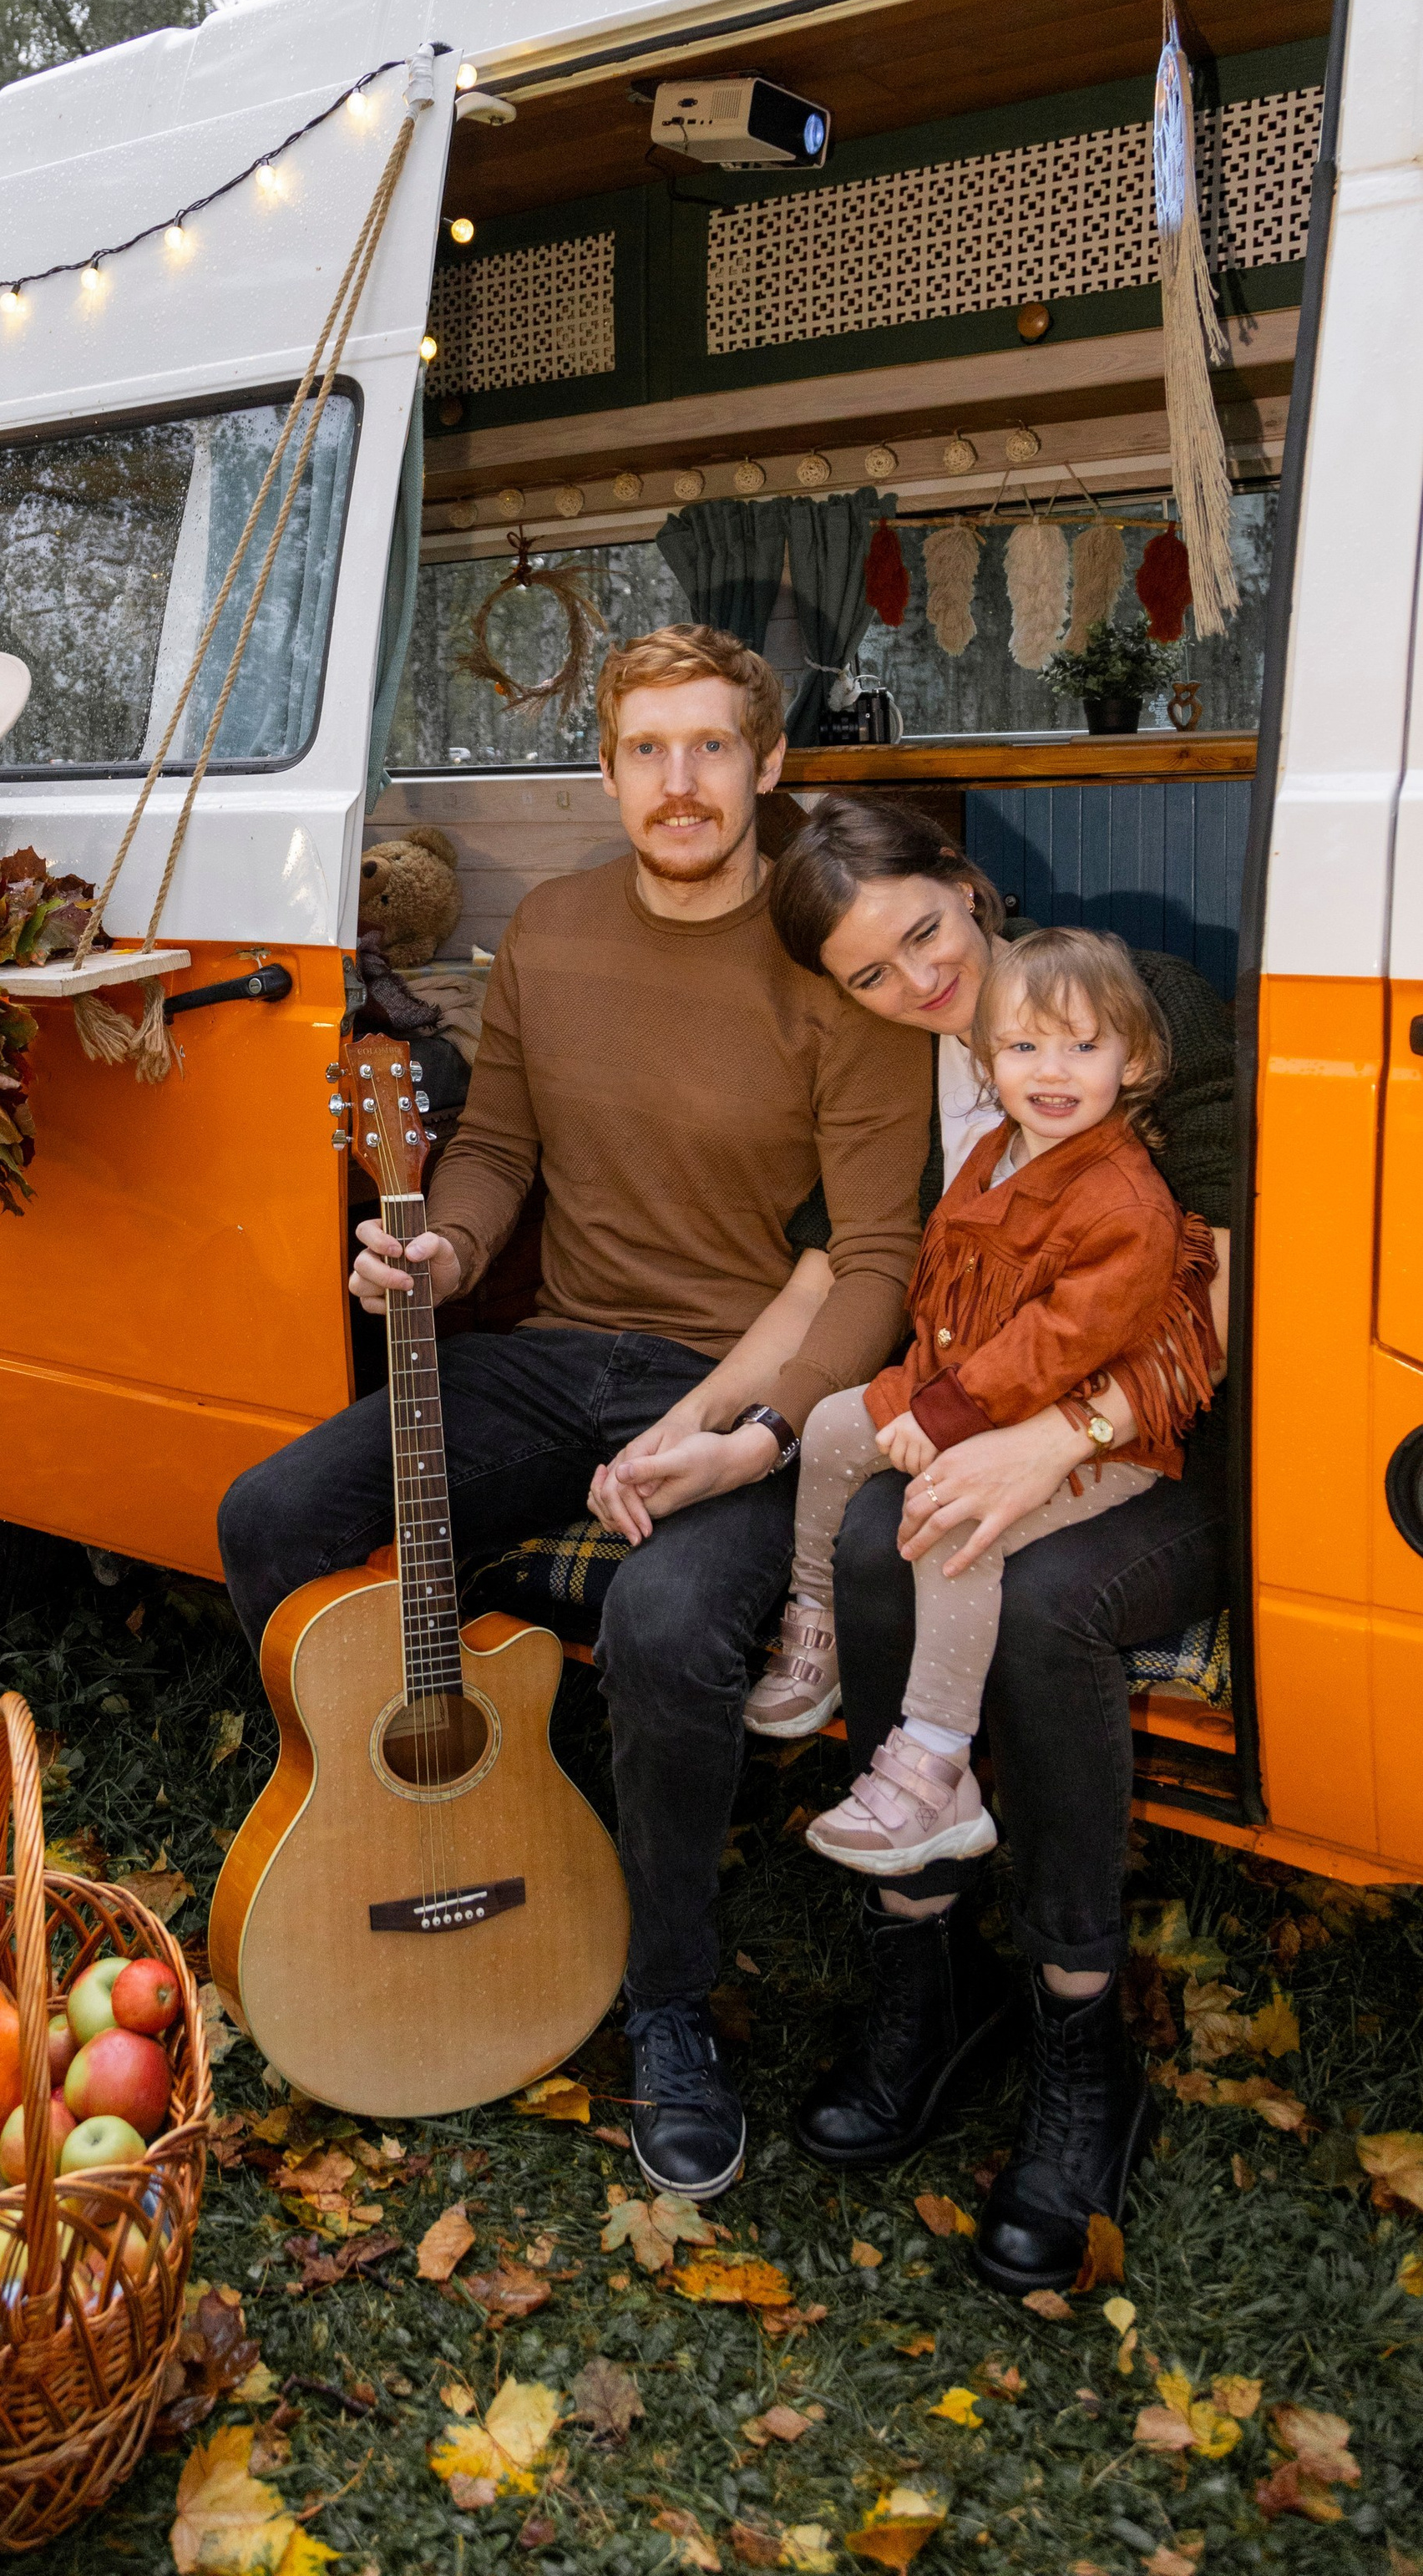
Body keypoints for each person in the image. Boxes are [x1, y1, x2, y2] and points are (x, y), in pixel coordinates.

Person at [217, 628, 933, 2201]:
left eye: (712, 747)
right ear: (606, 774)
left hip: (742, 1379)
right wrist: (445, 1246)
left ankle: (668, 2001)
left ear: (769, 765)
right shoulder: (550, 928)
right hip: (556, 1358)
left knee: (669, 1625)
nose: (681, 783)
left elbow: (879, 1259)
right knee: (273, 1515)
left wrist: (757, 1433)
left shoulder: (838, 962)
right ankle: (356, 1841)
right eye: (648, 751)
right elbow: (497, 1149)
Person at [592, 791, 1233, 2294]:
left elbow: (1223, 1276)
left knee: (1048, 1601)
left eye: (928, 936)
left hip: (1161, 1443)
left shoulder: (1134, 1007)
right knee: (886, 1537)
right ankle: (921, 1976)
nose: (920, 985)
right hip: (978, 1411)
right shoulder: (909, 1065)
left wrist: (1051, 1438)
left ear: (969, 883)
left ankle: (1080, 2040)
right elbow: (837, 1271)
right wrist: (710, 1422)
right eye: (871, 974)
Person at [751, 926, 1221, 1880]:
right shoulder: (995, 1154)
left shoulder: (1126, 1202)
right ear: (987, 1062)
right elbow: (949, 1292)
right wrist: (911, 1394)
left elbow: (1061, 1341)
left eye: (1082, 1046)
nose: (1051, 1070)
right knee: (834, 1424)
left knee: (953, 1519)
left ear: (1134, 1061)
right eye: (1024, 1046)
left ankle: (935, 1767)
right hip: (964, 1391)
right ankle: (816, 1617)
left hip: (1086, 1435)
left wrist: (941, 1418)